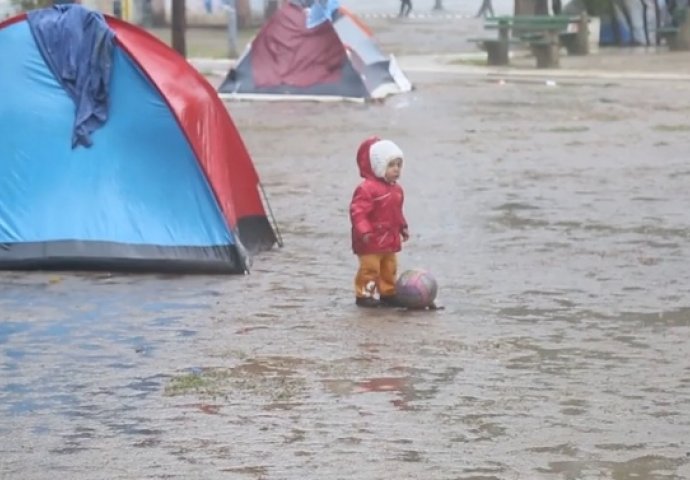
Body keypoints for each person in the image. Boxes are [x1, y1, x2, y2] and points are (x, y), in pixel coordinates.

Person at [350, 136, 409, 308]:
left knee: (389, 267)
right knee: (370, 268)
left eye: (399, 165)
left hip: (389, 238)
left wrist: (402, 227)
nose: (396, 170)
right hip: (370, 240)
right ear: (379, 166)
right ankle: (364, 294)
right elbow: (358, 212)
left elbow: (397, 212)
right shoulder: (366, 188)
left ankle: (387, 292)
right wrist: (364, 231)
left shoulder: (397, 190)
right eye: (391, 165)